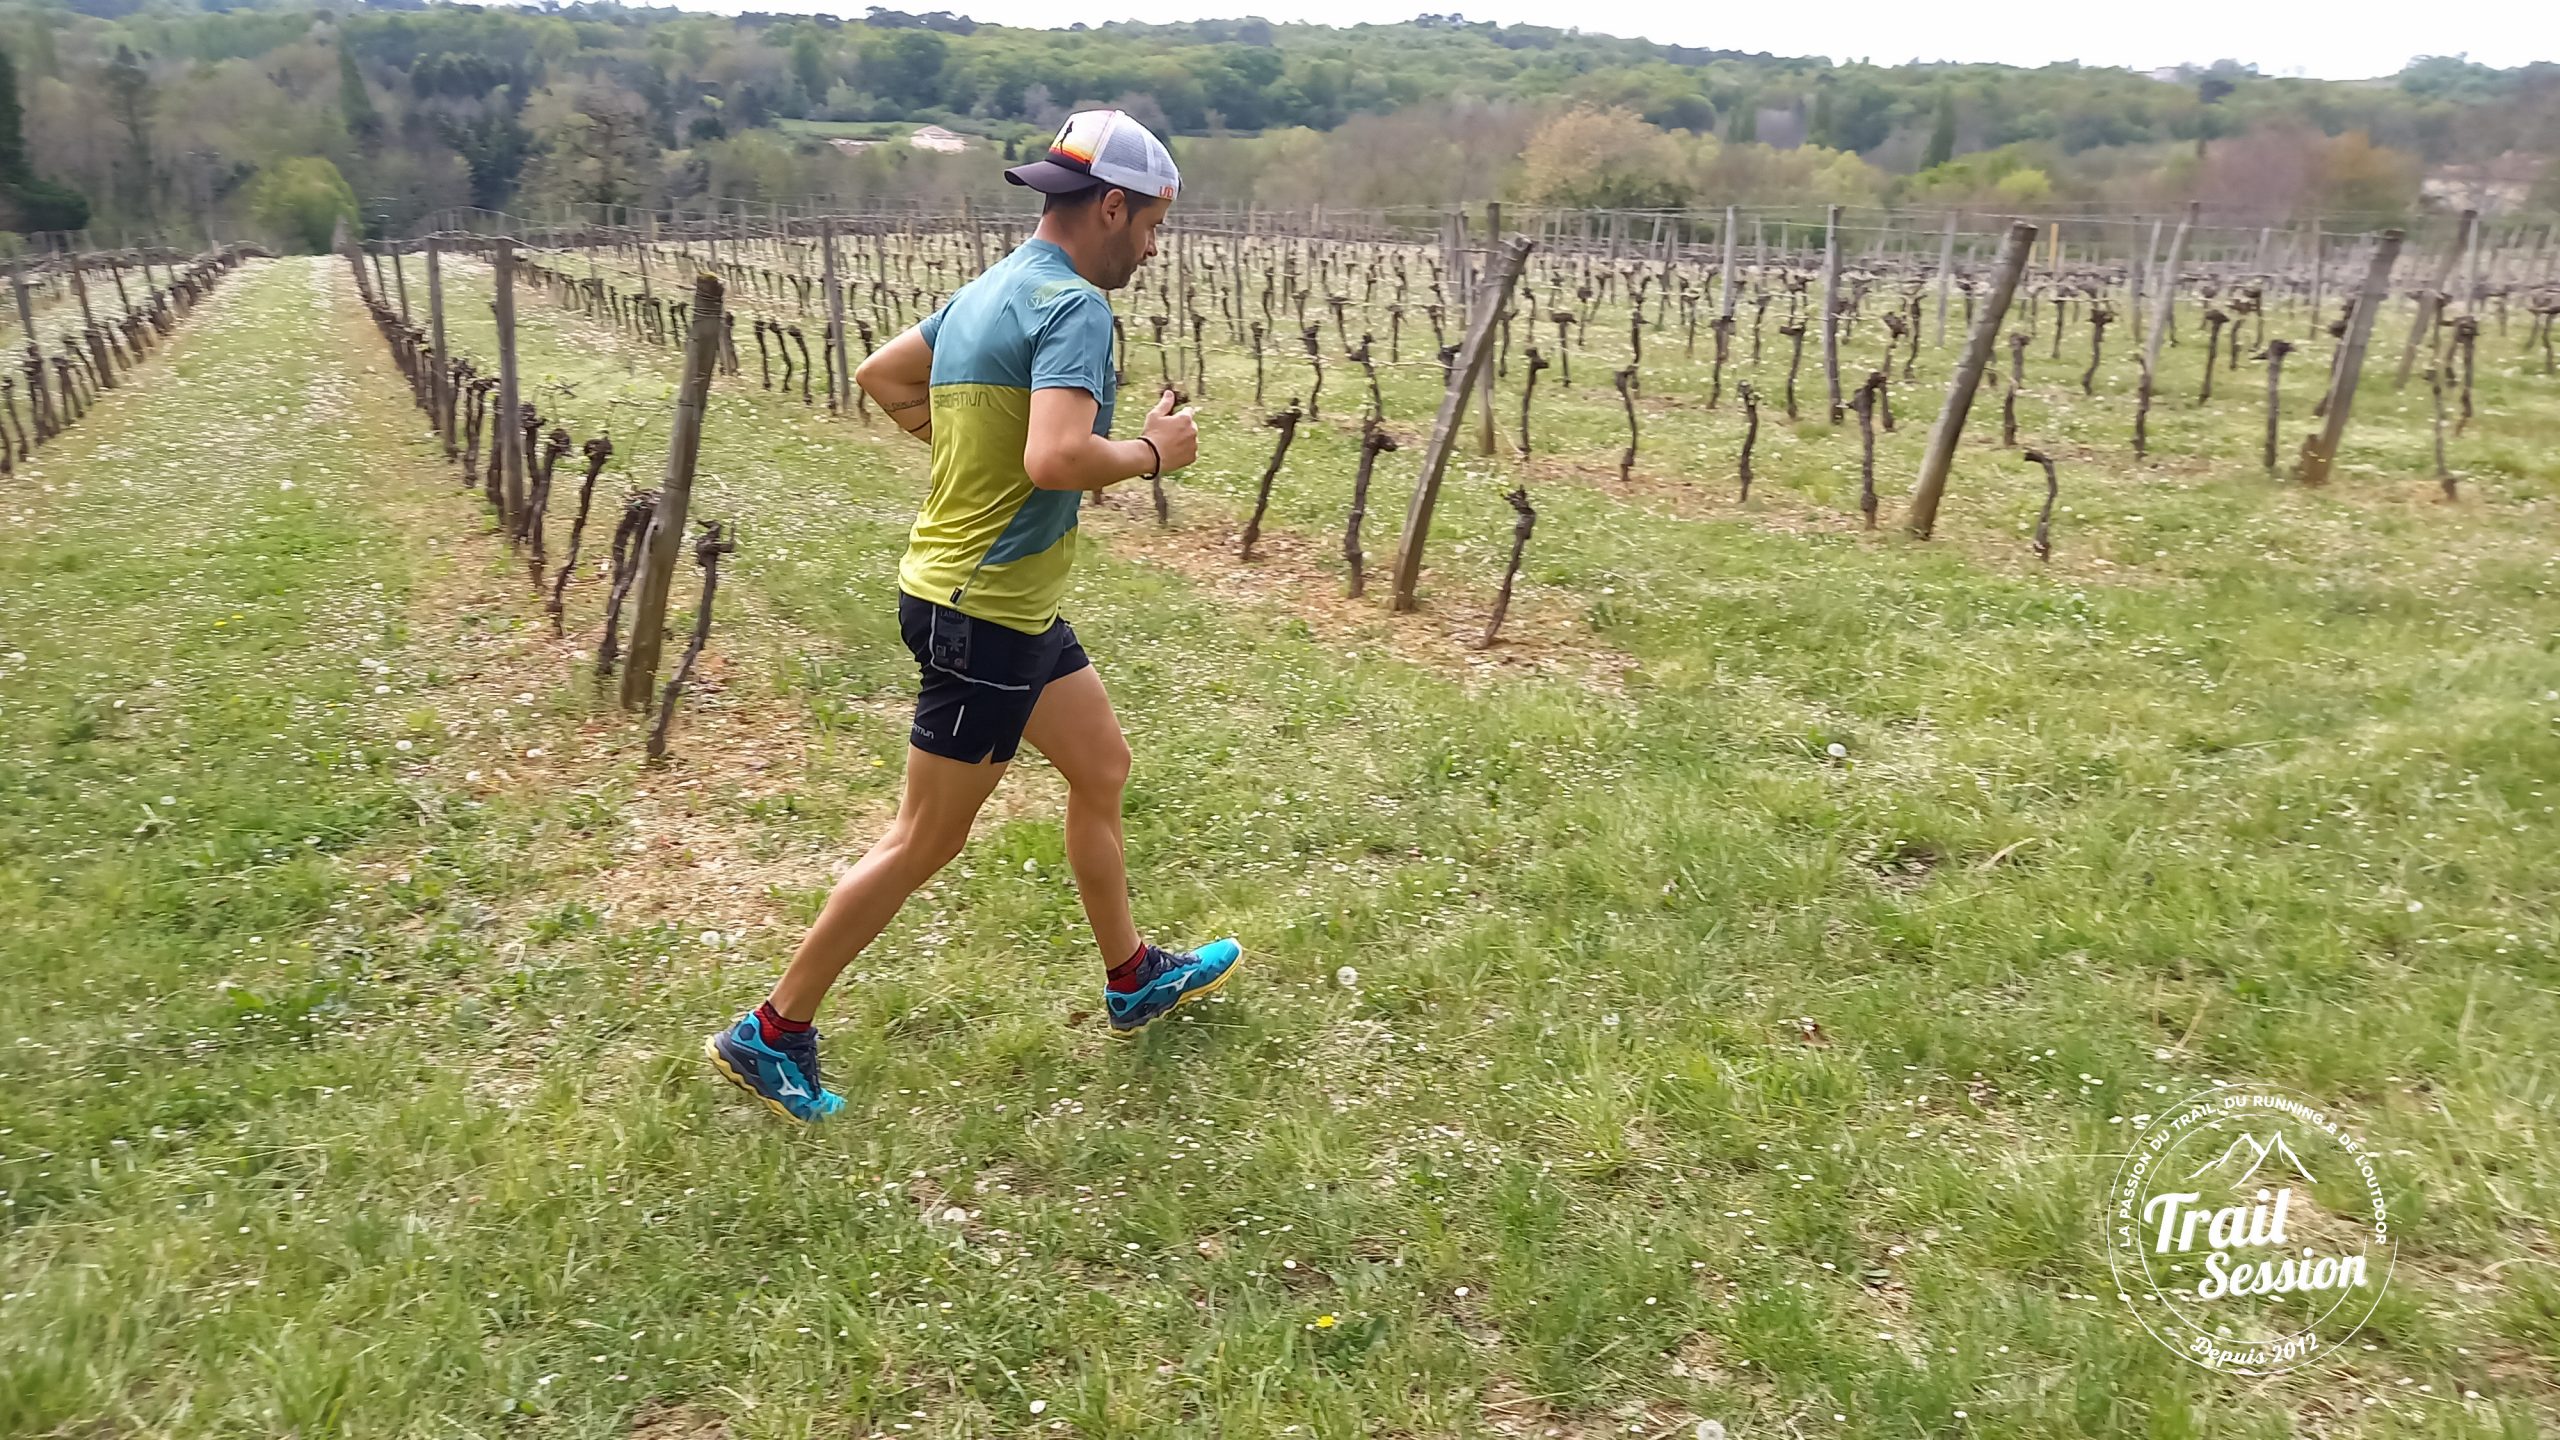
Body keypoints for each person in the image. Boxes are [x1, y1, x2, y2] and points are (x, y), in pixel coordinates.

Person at [706, 110, 1242, 1124]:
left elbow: (881, 374)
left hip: (998, 601)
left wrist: (962, 460)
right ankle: (769, 1033)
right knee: (923, 839)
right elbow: (1056, 459)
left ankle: (1132, 976)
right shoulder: (1075, 308)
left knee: (1102, 768)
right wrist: (1154, 453)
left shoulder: (991, 288)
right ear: (1113, 207)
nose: (1155, 246)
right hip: (980, 612)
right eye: (1154, 224)